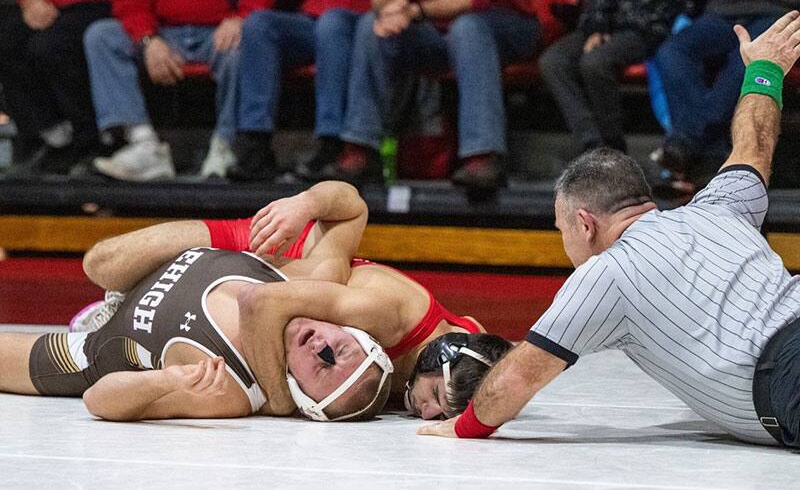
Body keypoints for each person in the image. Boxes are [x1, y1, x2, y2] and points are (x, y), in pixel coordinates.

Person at [419, 11, 800, 448]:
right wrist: (765, 70)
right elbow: (754, 144)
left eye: (561, 228)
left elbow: (520, 375)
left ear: (585, 223)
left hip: (788, 368)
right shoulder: (716, 207)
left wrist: (464, 425)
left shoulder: (606, 274)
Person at [78, 181, 506, 417]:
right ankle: (126, 300)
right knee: (103, 264)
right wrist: (304, 203)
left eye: (443, 411)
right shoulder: (382, 314)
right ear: (436, 358)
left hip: (289, 288)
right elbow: (266, 302)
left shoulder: (474, 349)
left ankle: (123, 319)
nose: (429, 412)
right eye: (434, 396)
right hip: (271, 254)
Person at [0, 180, 395, 422]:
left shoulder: (230, 388)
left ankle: (96, 321)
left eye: (323, 368)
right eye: (340, 349)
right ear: (352, 332)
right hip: (160, 265)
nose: (321, 348)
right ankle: (106, 301)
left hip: (96, 348)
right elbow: (350, 208)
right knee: (99, 263)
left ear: (302, 395)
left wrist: (163, 381)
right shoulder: (315, 280)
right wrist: (307, 202)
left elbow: (99, 399)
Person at [337, 0, 540, 189]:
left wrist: (414, 11)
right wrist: (390, 9)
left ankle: (483, 156)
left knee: (468, 28)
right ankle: (361, 148)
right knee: (371, 24)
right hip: (433, 27)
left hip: (504, 20)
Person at [82, 0, 265, 181]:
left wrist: (243, 18)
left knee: (246, 45)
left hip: (222, 29)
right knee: (102, 36)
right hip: (163, 32)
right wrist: (148, 38)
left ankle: (226, 146)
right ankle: (144, 145)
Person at [652, 0, 800, 190]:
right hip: (722, 12)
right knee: (672, 52)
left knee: (747, 64)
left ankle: (685, 143)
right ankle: (705, 155)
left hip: (779, 11)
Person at [227, 0, 371, 182]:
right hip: (311, 19)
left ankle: (330, 144)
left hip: (357, 21)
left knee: (331, 24)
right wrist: (242, 16)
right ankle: (256, 142)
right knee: (258, 24)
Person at [539, 0, 697, 155]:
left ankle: (613, 143)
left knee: (595, 63)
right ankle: (591, 142)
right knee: (553, 61)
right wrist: (597, 27)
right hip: (605, 26)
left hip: (646, 29)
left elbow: (676, 4)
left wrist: (619, 25)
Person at [0, 0, 110, 175]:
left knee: (51, 46)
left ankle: (91, 142)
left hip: (104, 3)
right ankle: (51, 137)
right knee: (8, 40)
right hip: (55, 4)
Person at [404, 332, 512, 419]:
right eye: (435, 392)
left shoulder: (494, 377)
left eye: (442, 416)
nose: (426, 414)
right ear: (431, 358)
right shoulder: (400, 326)